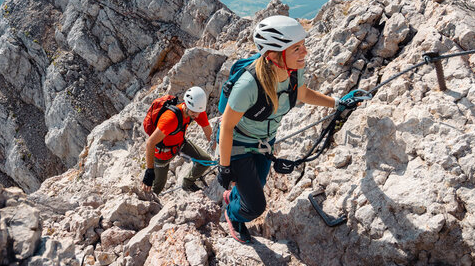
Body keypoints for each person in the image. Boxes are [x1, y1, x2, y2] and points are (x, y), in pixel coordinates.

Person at [216, 15, 343, 243]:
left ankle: (232, 197)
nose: (305, 52)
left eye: (303, 46)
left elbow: (303, 94)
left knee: (258, 184)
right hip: (238, 145)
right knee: (254, 207)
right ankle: (233, 214)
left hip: (265, 142)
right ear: (274, 55)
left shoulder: (293, 70)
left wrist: (337, 103)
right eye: (296, 48)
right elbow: (226, 127)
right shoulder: (248, 84)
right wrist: (224, 167)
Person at [141, 86, 214, 194]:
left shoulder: (197, 111)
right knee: (158, 186)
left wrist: (221, 153)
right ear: (186, 105)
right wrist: (149, 171)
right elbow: (150, 143)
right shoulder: (170, 119)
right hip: (162, 155)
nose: (197, 116)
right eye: (194, 112)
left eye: (199, 112)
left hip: (180, 144)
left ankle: (187, 183)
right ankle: (151, 202)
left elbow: (210, 136)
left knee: (206, 160)